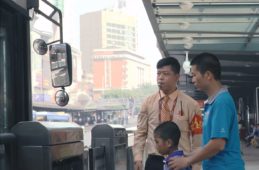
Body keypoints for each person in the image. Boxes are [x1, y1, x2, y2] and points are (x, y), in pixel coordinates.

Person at [168, 53, 245, 170]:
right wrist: (188, 155)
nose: (192, 80)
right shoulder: (212, 102)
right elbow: (209, 144)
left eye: (194, 75)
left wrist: (187, 161)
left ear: (208, 75)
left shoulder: (221, 102)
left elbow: (218, 144)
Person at [133, 57, 202, 170]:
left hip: (180, 162)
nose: (160, 78)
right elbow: (141, 132)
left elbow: (197, 137)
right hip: (154, 161)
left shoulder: (192, 105)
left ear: (177, 77)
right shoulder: (148, 103)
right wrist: (138, 157)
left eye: (165, 74)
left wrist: (196, 165)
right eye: (158, 74)